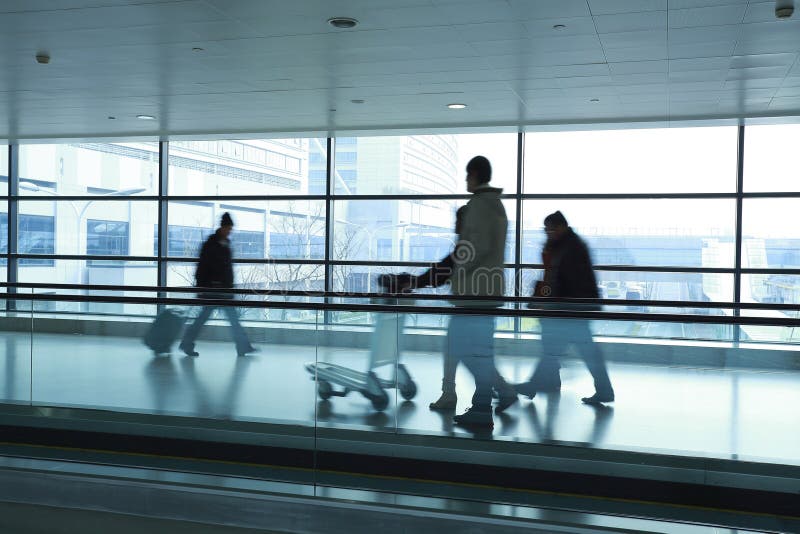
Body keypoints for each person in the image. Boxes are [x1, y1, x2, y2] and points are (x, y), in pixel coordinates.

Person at [385, 156, 511, 428]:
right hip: (486, 292)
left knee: (465, 350)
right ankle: (475, 400)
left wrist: (434, 277)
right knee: (472, 351)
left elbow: (468, 253)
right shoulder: (496, 206)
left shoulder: (479, 206)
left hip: (473, 295)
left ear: (475, 175)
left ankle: (486, 402)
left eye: (468, 175)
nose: (466, 180)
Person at [515, 211, 614, 405]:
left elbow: (564, 280)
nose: (548, 232)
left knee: (558, 350)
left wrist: (547, 301)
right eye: (546, 229)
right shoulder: (567, 245)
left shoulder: (572, 248)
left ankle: (534, 385)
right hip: (572, 308)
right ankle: (604, 390)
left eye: (551, 228)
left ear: (562, 226)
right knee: (578, 351)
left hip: (572, 309)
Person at [179, 212, 258, 358]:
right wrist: (204, 287)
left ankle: (187, 343)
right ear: (222, 227)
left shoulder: (222, 243)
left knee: (211, 319)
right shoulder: (212, 244)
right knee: (221, 319)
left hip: (222, 290)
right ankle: (242, 346)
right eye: (228, 228)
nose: (230, 232)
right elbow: (204, 267)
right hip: (213, 290)